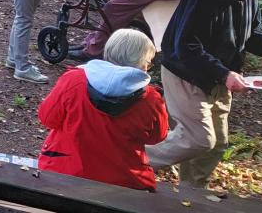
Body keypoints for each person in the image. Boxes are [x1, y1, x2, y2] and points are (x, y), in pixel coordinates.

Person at [146, 0, 262, 187]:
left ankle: (191, 194)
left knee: (217, 144)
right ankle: (132, 160)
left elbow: (250, 34)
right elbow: (186, 45)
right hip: (186, 74)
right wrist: (224, 74)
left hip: (220, 76)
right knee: (199, 140)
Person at [38, 28, 167, 191]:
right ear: (142, 63)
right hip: (125, 181)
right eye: (149, 62)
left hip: (65, 170)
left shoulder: (73, 80)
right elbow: (157, 137)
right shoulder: (151, 99)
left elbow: (47, 118)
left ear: (108, 52)